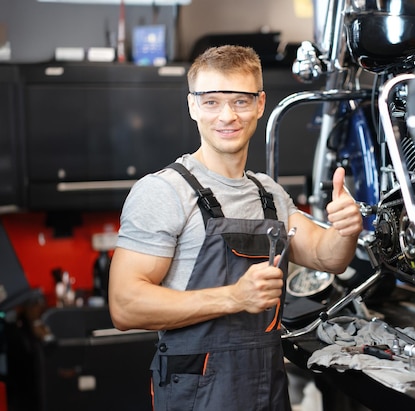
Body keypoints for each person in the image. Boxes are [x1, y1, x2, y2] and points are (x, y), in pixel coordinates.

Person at [108, 45, 363, 411]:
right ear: (193, 106)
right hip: (198, 394)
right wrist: (234, 297)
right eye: (211, 101)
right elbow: (124, 306)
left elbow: (327, 256)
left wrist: (346, 228)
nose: (227, 115)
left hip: (267, 388)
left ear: (260, 105)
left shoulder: (269, 193)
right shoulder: (165, 191)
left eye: (240, 101)